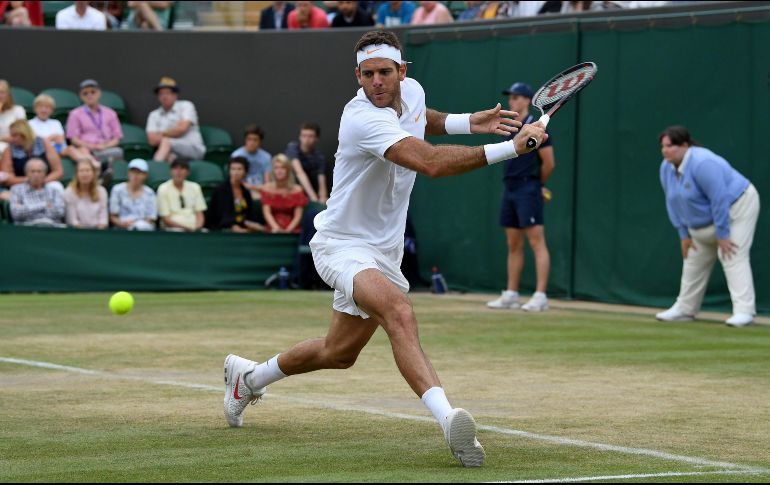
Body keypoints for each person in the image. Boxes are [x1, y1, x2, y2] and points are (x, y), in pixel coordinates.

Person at [221, 30, 546, 468]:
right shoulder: (361, 118)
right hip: (341, 246)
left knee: (338, 353)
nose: (377, 82)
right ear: (358, 75)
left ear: (402, 72)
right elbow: (429, 162)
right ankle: (450, 421)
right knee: (399, 311)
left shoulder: (410, 92)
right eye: (368, 74)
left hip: (384, 252)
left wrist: (469, 122)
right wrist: (510, 147)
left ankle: (249, 377)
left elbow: (420, 117)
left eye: (385, 73)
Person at [655, 126, 760, 328]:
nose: (665, 150)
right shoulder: (665, 168)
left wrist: (723, 234)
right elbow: (672, 201)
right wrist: (683, 234)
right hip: (701, 221)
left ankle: (744, 312)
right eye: (663, 146)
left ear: (685, 145)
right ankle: (685, 309)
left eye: (671, 146)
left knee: (732, 255)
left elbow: (719, 199)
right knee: (693, 259)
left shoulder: (704, 163)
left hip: (738, 207)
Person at [486, 82, 554, 312]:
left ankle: (540, 296)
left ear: (526, 100)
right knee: (513, 244)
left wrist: (538, 184)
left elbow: (549, 163)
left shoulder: (537, 128)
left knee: (536, 242)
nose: (512, 101)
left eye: (516, 97)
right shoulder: (510, 127)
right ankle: (511, 294)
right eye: (510, 97)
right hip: (510, 189)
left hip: (529, 189)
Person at [65, 79, 124, 173]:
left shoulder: (110, 113)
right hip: (87, 150)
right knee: (81, 151)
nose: (89, 95)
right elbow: (73, 139)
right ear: (81, 96)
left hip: (107, 149)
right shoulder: (75, 114)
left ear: (99, 93)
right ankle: (99, 169)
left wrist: (105, 145)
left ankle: (100, 170)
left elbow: (117, 137)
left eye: (93, 92)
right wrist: (91, 146)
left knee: (118, 152)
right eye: (85, 93)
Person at [146, 77, 206, 163]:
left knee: (166, 141)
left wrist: (162, 133)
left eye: (167, 93)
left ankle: (155, 167)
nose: (164, 96)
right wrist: (175, 129)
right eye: (161, 94)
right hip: (170, 153)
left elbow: (182, 129)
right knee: (167, 156)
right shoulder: (154, 114)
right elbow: (152, 141)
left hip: (194, 149)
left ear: (175, 95)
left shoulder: (186, 105)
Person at [0, 119, 63, 199]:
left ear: (24, 134)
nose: (12, 138)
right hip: (22, 184)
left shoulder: (43, 143)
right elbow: (8, 178)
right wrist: (29, 180)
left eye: (14, 135)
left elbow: (58, 171)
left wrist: (43, 181)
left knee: (56, 187)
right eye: (11, 135)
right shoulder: (9, 149)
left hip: (46, 182)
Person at [206, 157, 264, 233]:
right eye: (233, 169)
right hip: (222, 229)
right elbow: (220, 215)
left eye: (239, 169)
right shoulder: (221, 190)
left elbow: (248, 214)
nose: (236, 172)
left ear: (245, 172)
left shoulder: (245, 191)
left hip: (242, 227)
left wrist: (250, 225)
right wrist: (233, 226)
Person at [260, 153, 308, 234]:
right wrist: (276, 228)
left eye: (282, 168)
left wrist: (288, 230)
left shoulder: (298, 190)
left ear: (288, 170)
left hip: (293, 230)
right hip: (272, 230)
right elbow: (267, 213)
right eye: (276, 168)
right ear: (273, 170)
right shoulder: (266, 188)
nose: (279, 171)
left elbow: (298, 216)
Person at [9, 158, 65, 226]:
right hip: (26, 228)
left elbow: (59, 213)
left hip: (51, 228)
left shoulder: (54, 190)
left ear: (45, 173)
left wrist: (26, 208)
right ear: (26, 173)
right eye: (32, 171)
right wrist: (45, 205)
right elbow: (16, 214)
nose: (36, 174)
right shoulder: (16, 190)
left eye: (39, 171)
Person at [156, 159, 206, 231]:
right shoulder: (163, 188)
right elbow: (165, 218)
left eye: (182, 168)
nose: (178, 172)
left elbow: (200, 214)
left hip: (194, 228)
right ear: (171, 171)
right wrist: (186, 229)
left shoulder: (195, 187)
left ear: (188, 172)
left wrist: (197, 228)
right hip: (172, 229)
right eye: (175, 168)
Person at [109, 158, 158, 231]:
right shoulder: (117, 189)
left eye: (139, 172)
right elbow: (113, 216)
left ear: (145, 175)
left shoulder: (150, 193)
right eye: (133, 171)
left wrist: (138, 226)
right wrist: (122, 224)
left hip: (144, 231)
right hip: (121, 230)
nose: (135, 175)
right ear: (128, 173)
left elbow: (151, 218)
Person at [285, 122, 328, 204]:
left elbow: (322, 181)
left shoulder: (320, 157)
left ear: (316, 138)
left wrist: (322, 198)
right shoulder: (292, 148)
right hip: (290, 192)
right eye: (304, 135)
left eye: (310, 136)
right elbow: (299, 172)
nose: (307, 139)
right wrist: (313, 198)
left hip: (307, 197)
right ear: (299, 137)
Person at [63, 159, 108, 229]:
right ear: (76, 174)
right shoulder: (69, 192)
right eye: (81, 171)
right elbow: (72, 220)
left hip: (98, 232)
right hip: (78, 232)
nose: (84, 174)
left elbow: (103, 219)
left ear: (93, 173)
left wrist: (98, 231)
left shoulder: (102, 191)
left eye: (87, 170)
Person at [230, 124, 272, 200]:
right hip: (241, 192)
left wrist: (253, 187)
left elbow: (268, 184)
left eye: (255, 140)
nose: (252, 143)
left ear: (260, 142)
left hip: (261, 191)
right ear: (245, 140)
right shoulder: (236, 155)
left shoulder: (266, 157)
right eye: (249, 139)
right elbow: (234, 181)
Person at [0, 79, 27, 156]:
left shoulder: (18, 110)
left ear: (8, 95)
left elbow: (23, 135)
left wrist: (2, 139)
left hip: (14, 148)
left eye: (2, 92)